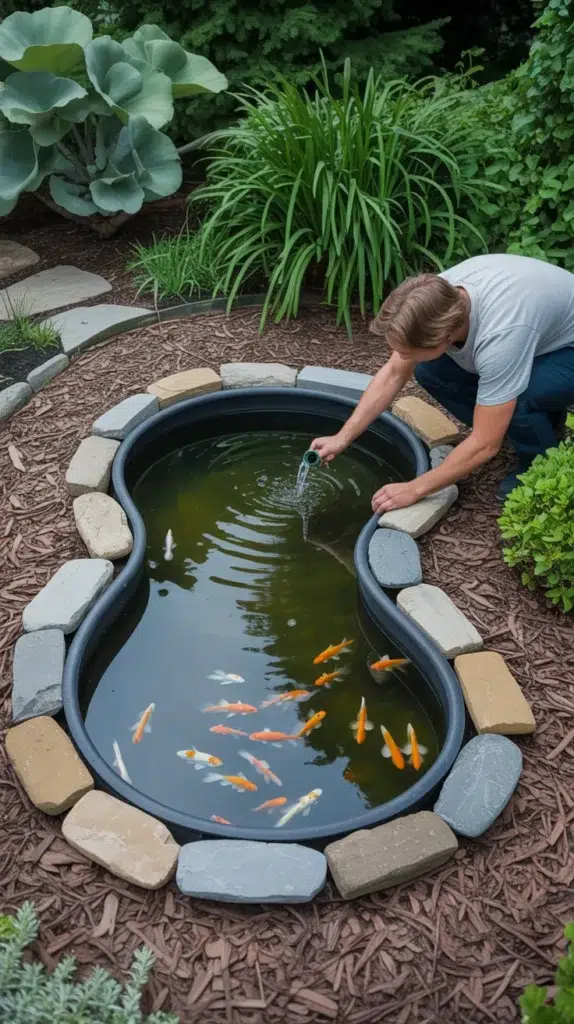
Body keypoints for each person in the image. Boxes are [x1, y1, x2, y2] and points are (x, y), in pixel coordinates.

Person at [311, 253, 574, 511]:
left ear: (445, 337)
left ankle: (541, 464)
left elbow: (485, 443)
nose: (400, 357)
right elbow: (393, 373)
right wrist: (342, 437)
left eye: (406, 352)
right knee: (430, 372)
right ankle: (534, 422)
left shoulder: (501, 338)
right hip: (540, 331)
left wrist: (415, 488)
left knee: (519, 397)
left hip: (566, 348)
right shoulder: (435, 298)